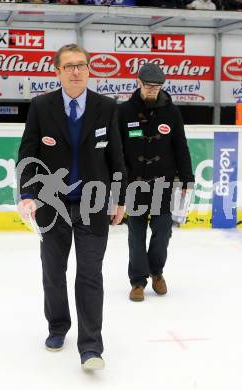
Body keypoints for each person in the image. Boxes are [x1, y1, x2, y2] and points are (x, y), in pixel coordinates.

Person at [17, 44, 126, 370]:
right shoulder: (40, 106)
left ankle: (91, 347)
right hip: (52, 206)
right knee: (53, 272)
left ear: (89, 69)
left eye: (81, 65)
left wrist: (119, 197)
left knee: (90, 274)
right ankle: (57, 326)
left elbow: (116, 155)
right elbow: (27, 154)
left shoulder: (106, 106)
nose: (76, 71)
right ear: (58, 71)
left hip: (93, 205)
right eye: (69, 66)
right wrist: (26, 193)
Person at [118, 63, 194, 302]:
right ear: (138, 82)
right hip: (134, 185)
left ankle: (157, 271)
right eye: (148, 86)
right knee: (136, 234)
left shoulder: (172, 112)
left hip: (163, 183)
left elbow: (181, 147)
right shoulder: (124, 112)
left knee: (162, 231)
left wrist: (187, 179)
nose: (152, 90)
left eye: (157, 86)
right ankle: (138, 281)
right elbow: (117, 150)